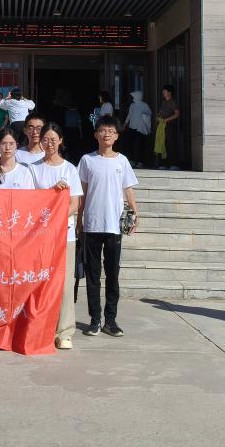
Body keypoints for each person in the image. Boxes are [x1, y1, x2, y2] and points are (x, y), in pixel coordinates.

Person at [78, 115, 139, 338]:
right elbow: (82, 193)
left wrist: (135, 213)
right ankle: (95, 320)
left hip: (114, 225)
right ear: (96, 134)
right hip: (92, 225)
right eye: (102, 130)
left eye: (111, 131)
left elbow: (128, 189)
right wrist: (79, 220)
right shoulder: (87, 160)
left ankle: (110, 321)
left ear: (116, 136)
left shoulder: (122, 161)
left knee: (113, 275)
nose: (106, 134)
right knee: (93, 276)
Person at [30, 122, 83, 350]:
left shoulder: (69, 169)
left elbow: (75, 204)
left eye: (53, 139)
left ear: (61, 141)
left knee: (65, 283)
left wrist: (57, 216)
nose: (49, 143)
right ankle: (42, 328)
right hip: (39, 235)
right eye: (45, 139)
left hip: (64, 234)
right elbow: (29, 201)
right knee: (39, 281)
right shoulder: (33, 169)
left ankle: (64, 331)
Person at [122, 90, 152, 169]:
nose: (133, 98)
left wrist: (144, 116)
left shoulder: (144, 105)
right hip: (132, 127)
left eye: (134, 97)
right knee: (131, 144)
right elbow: (129, 115)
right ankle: (132, 160)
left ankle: (140, 162)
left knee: (141, 145)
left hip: (140, 128)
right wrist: (125, 124)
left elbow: (149, 114)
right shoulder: (132, 105)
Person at [155, 85, 180, 170]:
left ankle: (174, 164)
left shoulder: (172, 102)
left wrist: (167, 119)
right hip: (162, 125)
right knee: (162, 144)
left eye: (165, 91)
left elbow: (177, 114)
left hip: (170, 126)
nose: (163, 92)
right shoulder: (163, 102)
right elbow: (161, 111)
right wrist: (158, 116)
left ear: (169, 92)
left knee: (171, 144)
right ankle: (164, 164)